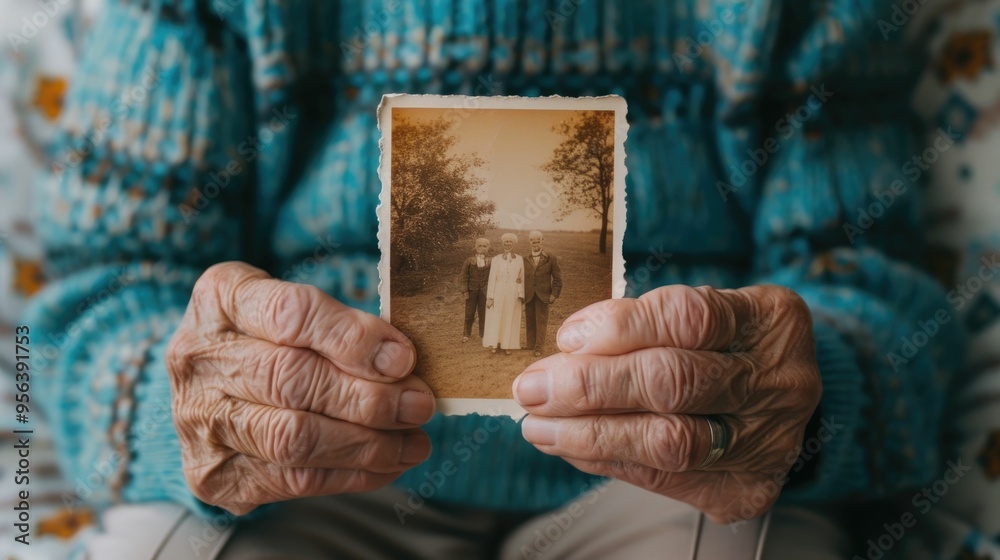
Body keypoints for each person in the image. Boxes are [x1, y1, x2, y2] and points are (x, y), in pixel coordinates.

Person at [22, 2, 964, 558]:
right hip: (310, 479)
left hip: (672, 479)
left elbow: (882, 307)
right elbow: (92, 302)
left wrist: (802, 399)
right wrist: (182, 406)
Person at [483, 233, 524, 355]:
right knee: (496, 317)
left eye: (510, 242)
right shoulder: (496, 259)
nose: (508, 244)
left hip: (513, 293)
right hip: (498, 291)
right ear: (502, 243)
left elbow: (520, 277)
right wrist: (490, 297)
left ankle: (507, 345)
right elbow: (491, 278)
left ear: (514, 244)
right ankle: (494, 344)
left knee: (510, 316)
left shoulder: (519, 259)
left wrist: (520, 293)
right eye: (506, 242)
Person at [522, 230, 562, 357]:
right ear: (529, 242)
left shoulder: (551, 258)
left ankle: (539, 347)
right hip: (528, 294)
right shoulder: (524, 259)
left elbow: (558, 279)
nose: (535, 242)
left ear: (542, 241)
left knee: (541, 320)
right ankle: (530, 344)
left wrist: (554, 294)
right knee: (530, 319)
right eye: (532, 240)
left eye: (538, 240)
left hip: (544, 295)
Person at [459, 237, 491, 343]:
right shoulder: (469, 261)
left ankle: (483, 334)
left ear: (488, 248)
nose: (482, 248)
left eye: (484, 246)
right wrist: (465, 291)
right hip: (472, 291)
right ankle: (466, 334)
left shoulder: (491, 261)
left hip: (485, 291)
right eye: (480, 245)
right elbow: (464, 277)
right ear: (476, 247)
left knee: (484, 314)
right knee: (469, 313)